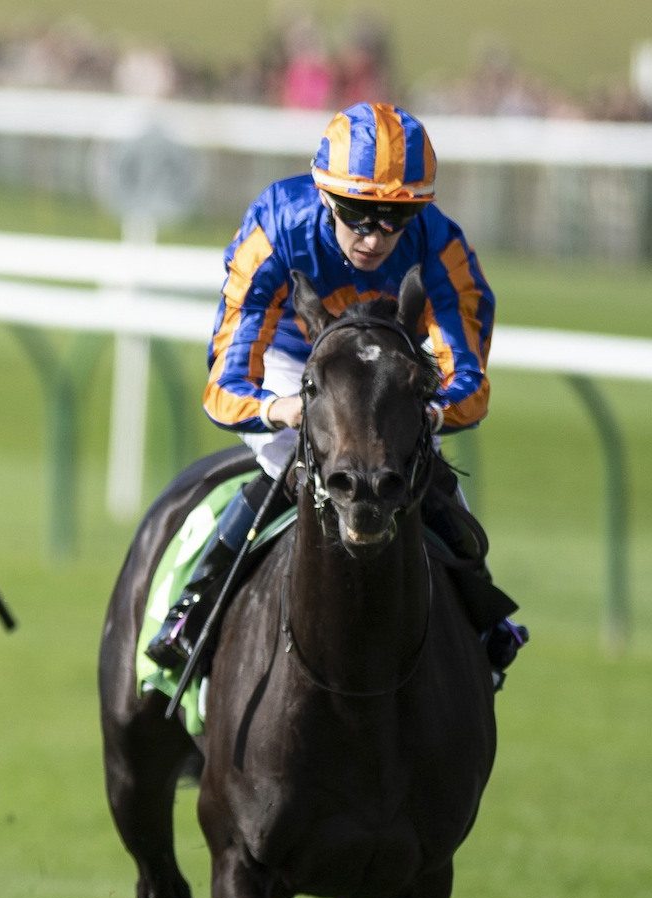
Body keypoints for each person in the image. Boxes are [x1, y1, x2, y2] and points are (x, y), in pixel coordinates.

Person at [146, 101, 526, 676]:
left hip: (384, 373)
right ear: (325, 195)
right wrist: (280, 409)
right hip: (291, 361)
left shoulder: (442, 247)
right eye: (357, 214)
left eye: (394, 219)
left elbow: (467, 382)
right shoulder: (276, 226)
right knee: (287, 466)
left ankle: (484, 622)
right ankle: (193, 608)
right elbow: (225, 383)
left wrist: (430, 413)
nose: (375, 238)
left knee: (435, 482)